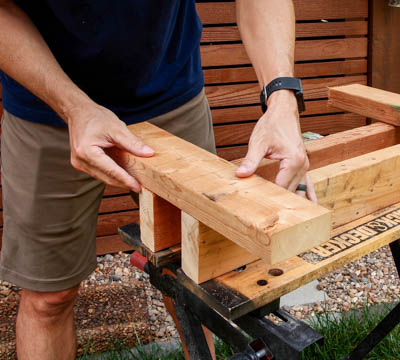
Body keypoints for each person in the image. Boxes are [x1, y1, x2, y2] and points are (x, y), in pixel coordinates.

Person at [0, 1, 313, 359]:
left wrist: (281, 98)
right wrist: (73, 106)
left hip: (170, 94)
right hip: (46, 106)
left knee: (195, 274)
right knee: (47, 297)